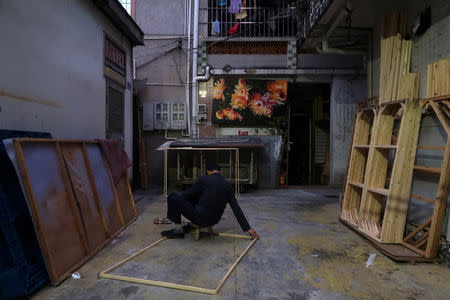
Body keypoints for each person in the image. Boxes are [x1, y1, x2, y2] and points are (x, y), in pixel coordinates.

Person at [161, 162, 259, 239]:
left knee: (173, 197)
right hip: (214, 221)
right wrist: (248, 228)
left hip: (200, 219)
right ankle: (190, 225)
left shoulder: (203, 179)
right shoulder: (227, 185)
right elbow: (236, 208)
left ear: (208, 171)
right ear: (220, 172)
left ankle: (178, 231)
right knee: (198, 199)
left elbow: (186, 196)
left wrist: (176, 210)